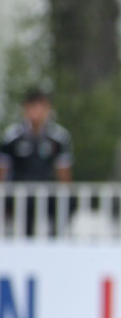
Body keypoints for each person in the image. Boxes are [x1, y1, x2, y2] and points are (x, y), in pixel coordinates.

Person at [0, 89, 74, 236]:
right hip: (19, 190)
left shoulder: (59, 136)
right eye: (34, 107)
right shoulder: (12, 136)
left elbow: (64, 172)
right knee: (20, 212)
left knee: (68, 203)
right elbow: (3, 169)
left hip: (47, 189)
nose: (38, 112)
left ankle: (56, 239)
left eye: (42, 107)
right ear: (25, 109)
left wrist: (65, 192)